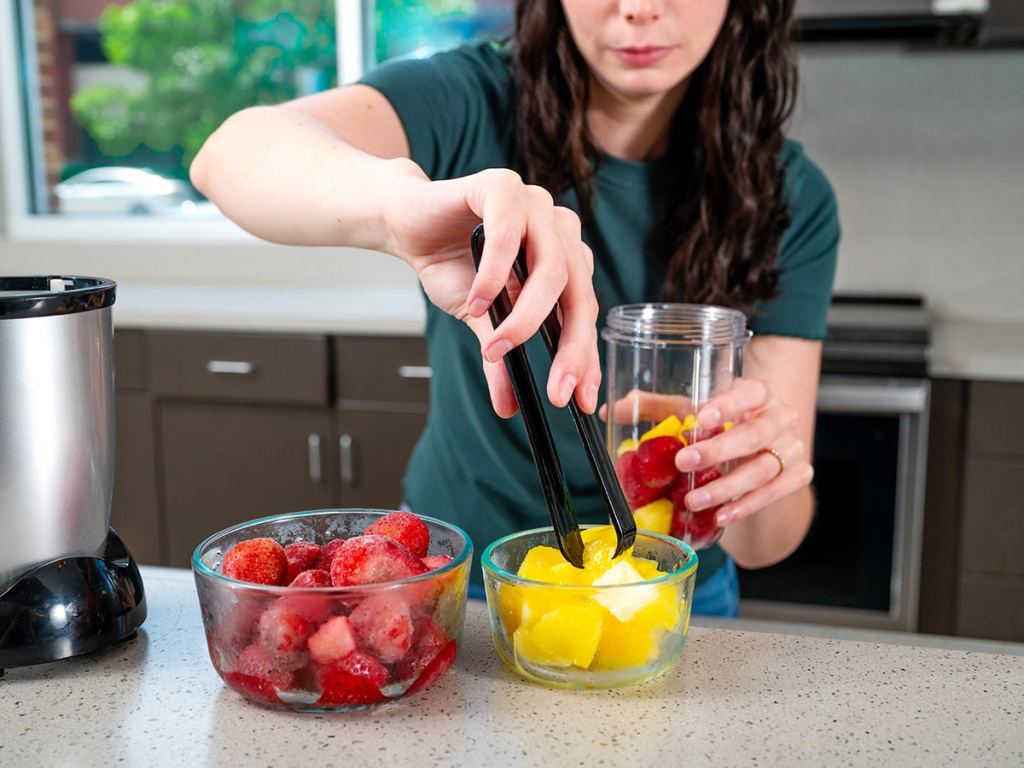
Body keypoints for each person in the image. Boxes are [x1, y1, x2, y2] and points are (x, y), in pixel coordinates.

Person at [190, 0, 838, 616]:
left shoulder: (789, 197)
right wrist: (396, 208)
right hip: (459, 582)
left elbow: (766, 541)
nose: (639, 7)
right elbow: (233, 151)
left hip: (662, 595)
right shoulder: (473, 98)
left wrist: (751, 473)